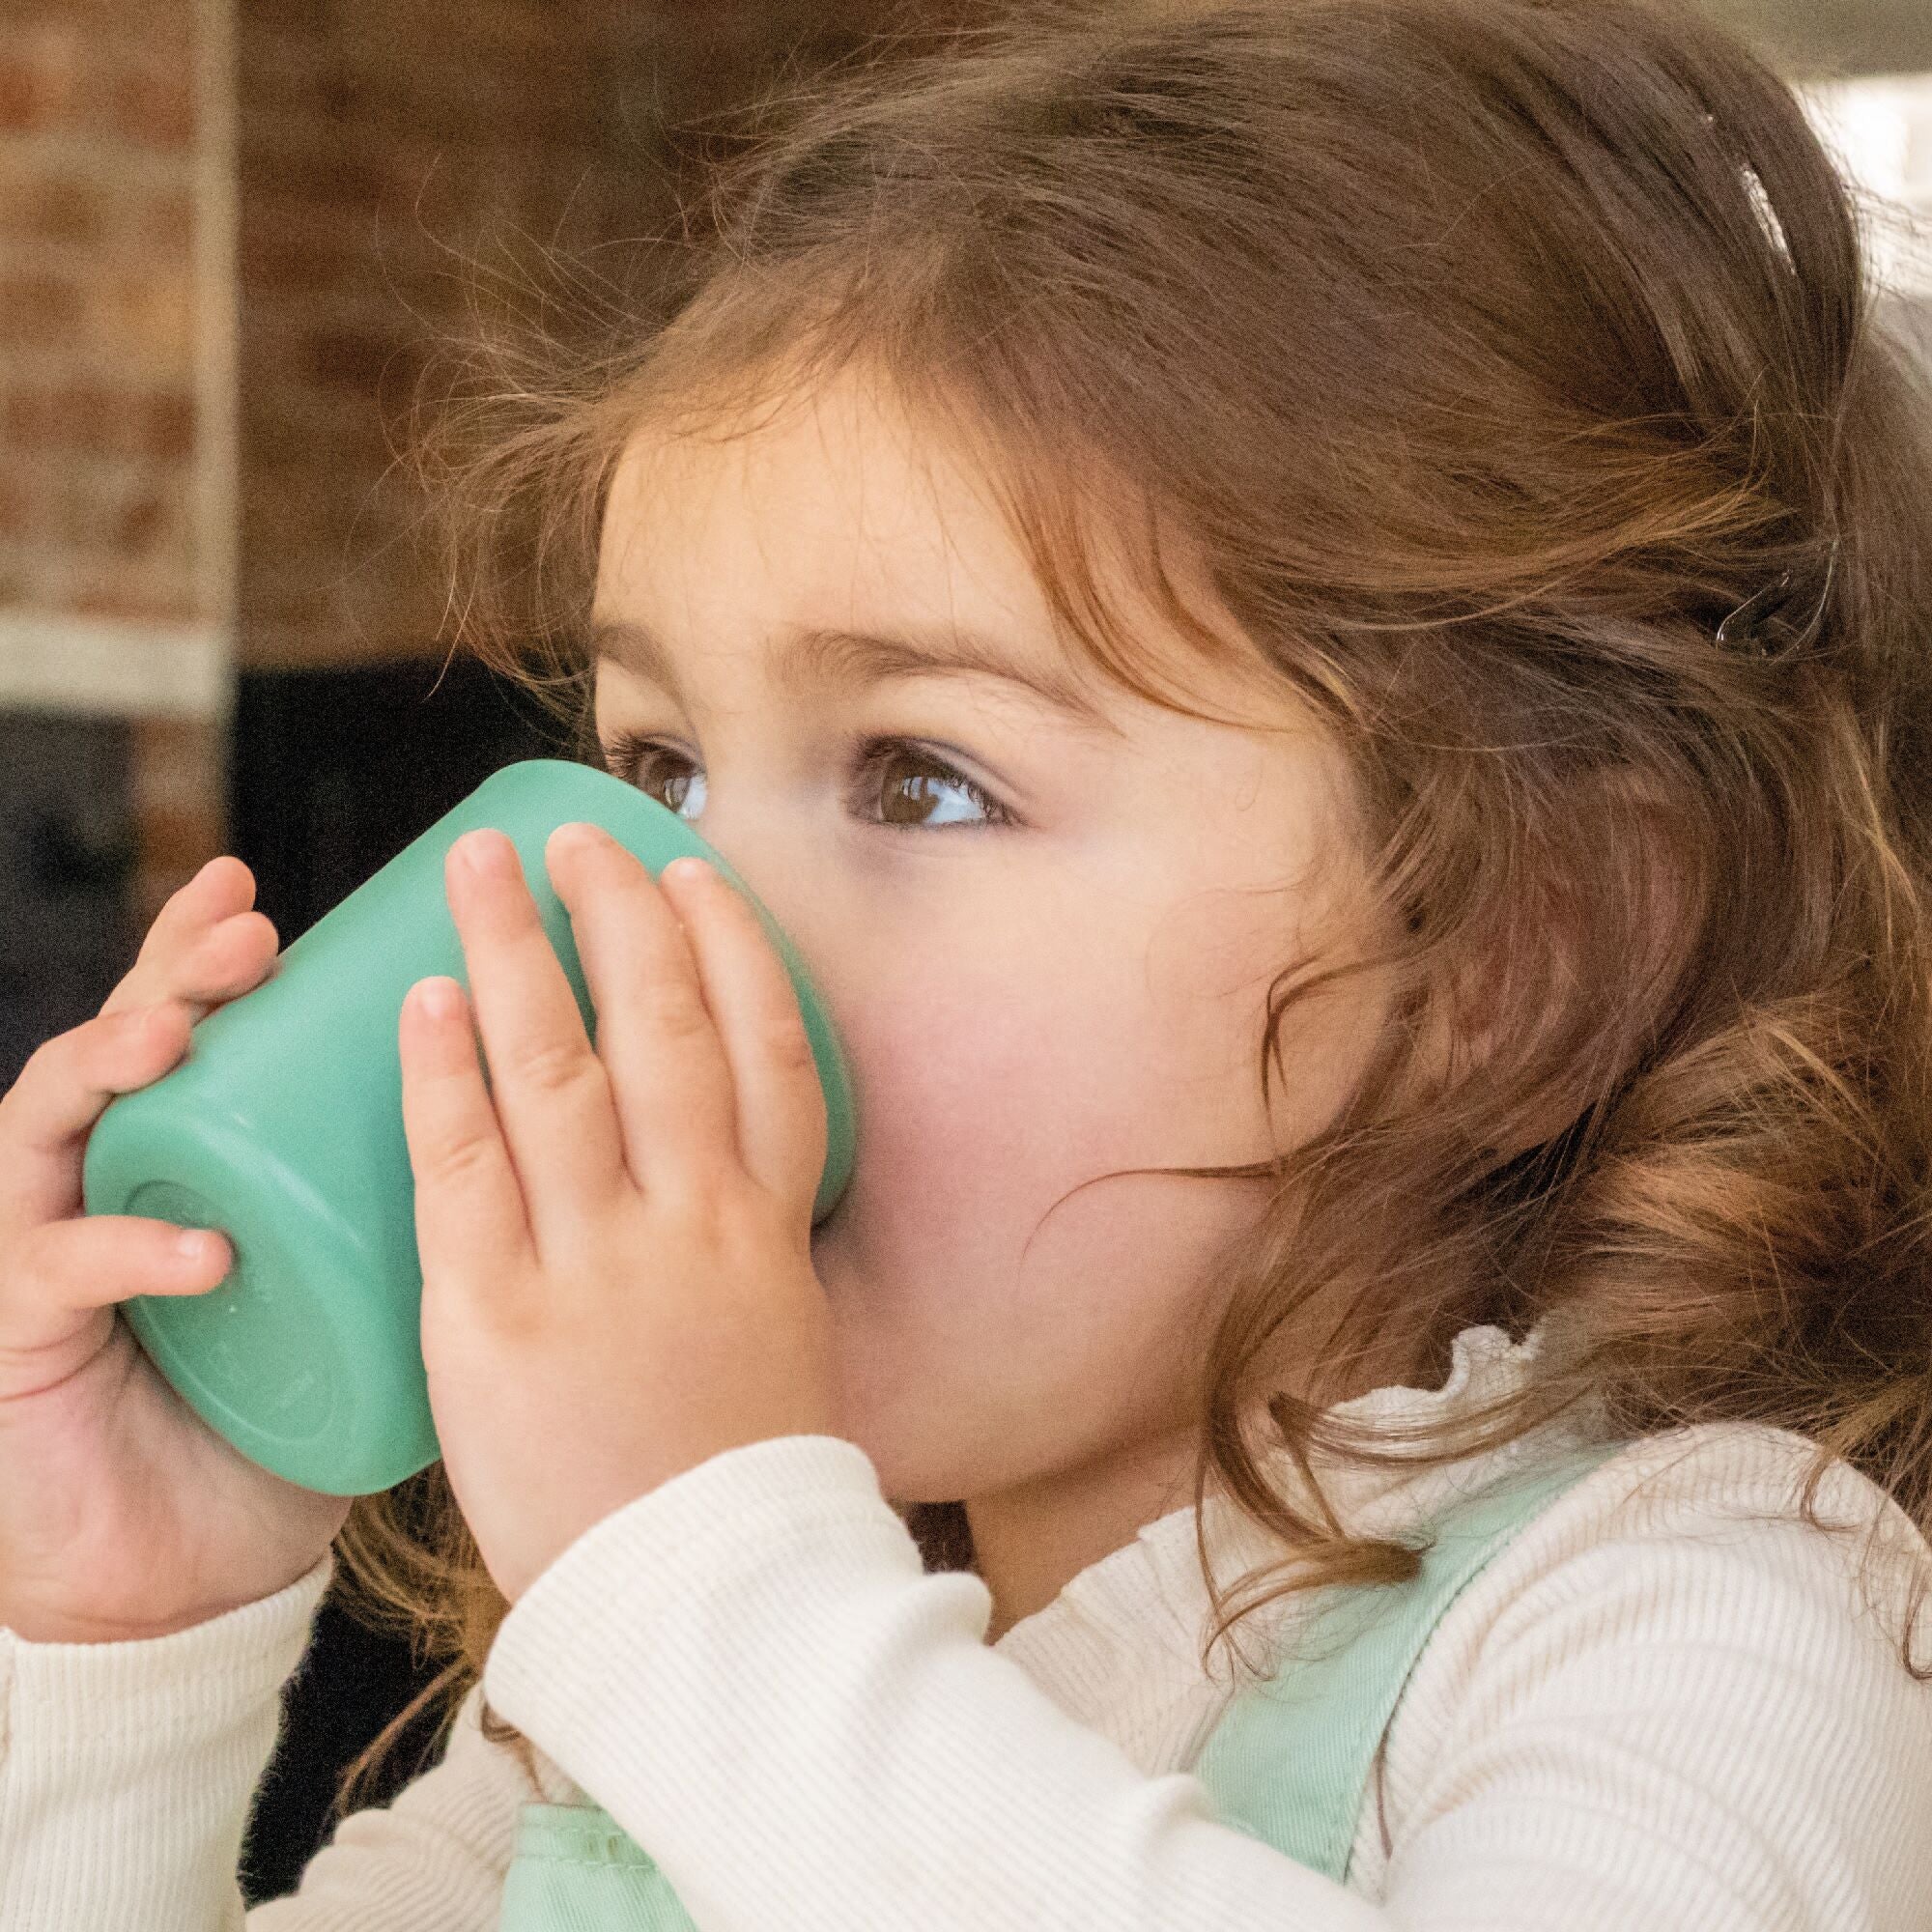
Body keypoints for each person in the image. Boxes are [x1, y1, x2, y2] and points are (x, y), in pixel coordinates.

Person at [5, 0, 1931, 1924]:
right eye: (662, 769)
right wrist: (121, 1648)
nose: (684, 921)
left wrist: (705, 1602)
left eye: (921, 780)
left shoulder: (1701, 1611)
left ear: (1513, 958)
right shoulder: (610, 1722)